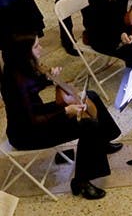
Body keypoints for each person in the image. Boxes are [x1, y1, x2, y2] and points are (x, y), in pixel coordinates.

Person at [0, 34, 123, 200]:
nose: (41, 48)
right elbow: (32, 121)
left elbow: (34, 84)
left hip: (38, 116)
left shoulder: (20, 66)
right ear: (25, 52)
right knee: (88, 125)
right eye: (36, 46)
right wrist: (66, 111)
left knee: (91, 95)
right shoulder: (14, 83)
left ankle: (103, 140)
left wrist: (49, 76)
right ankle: (81, 181)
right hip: (28, 133)